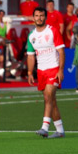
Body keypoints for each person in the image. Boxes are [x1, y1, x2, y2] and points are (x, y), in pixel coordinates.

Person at [26, 8, 66, 138]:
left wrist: (60, 70)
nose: (39, 18)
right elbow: (31, 56)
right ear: (33, 18)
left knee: (48, 97)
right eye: (36, 16)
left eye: (41, 16)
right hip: (41, 71)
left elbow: (61, 52)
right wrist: (30, 72)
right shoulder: (31, 36)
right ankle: (60, 131)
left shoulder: (53, 31)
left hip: (53, 69)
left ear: (45, 17)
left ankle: (44, 127)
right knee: (52, 101)